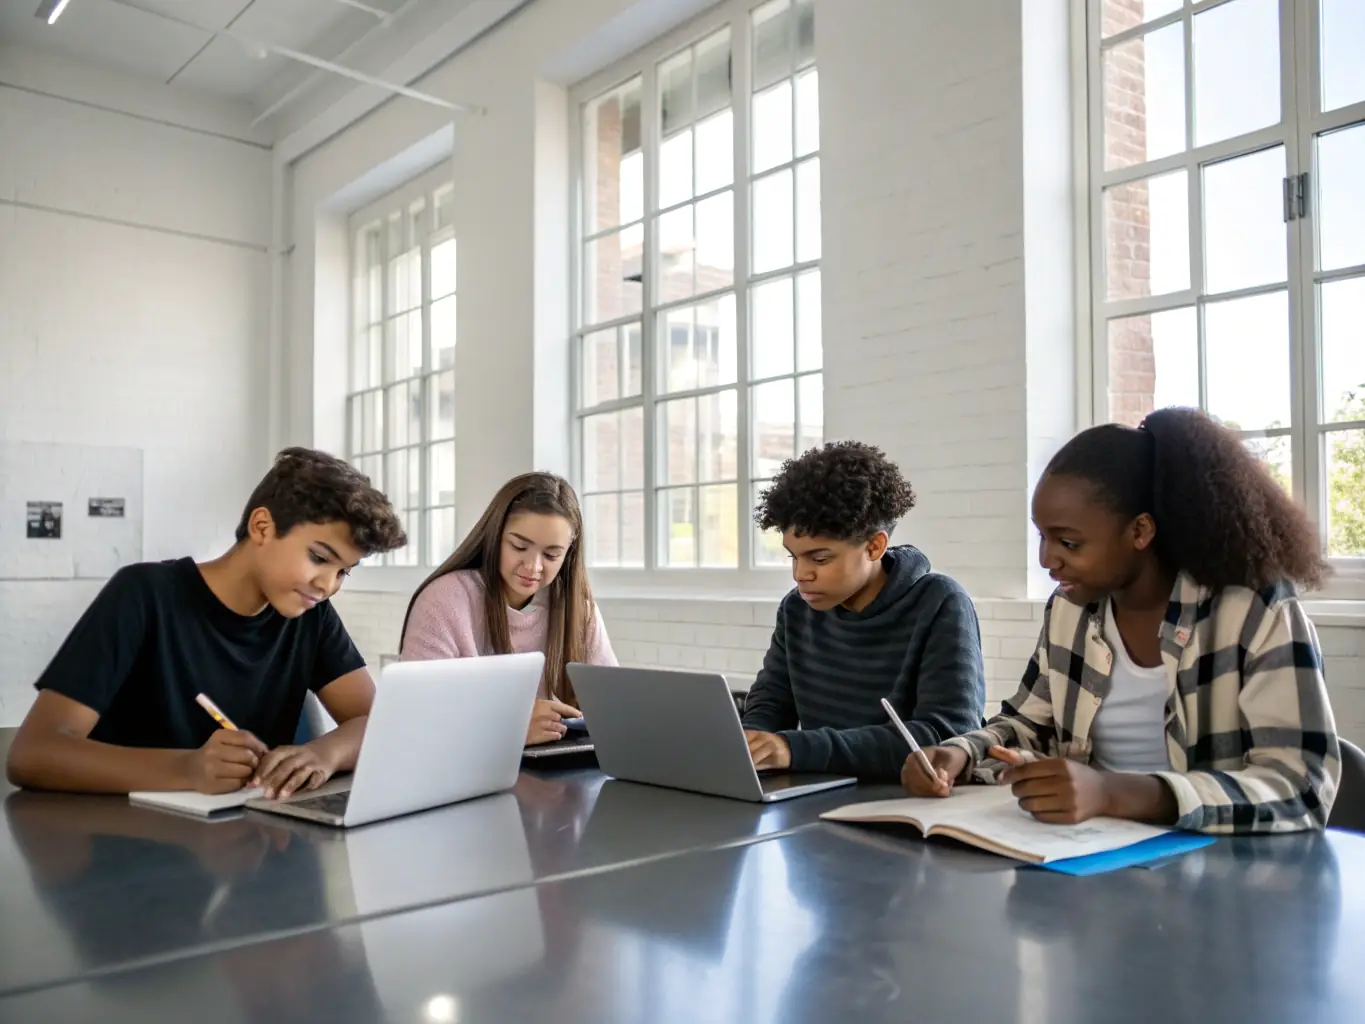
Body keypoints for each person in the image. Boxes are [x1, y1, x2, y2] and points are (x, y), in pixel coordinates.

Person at [901, 408, 1341, 833]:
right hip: (1091, 856)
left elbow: (1300, 786)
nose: (1047, 560)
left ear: (1140, 532)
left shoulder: (1252, 609)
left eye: (1068, 542)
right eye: (1043, 536)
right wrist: (960, 755)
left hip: (1224, 874)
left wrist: (1115, 793)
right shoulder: (1070, 608)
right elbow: (1029, 725)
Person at [5, 449, 407, 799]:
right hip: (124, 849)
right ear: (262, 527)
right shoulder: (144, 594)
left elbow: (378, 723)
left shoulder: (311, 615)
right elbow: (33, 754)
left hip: (248, 850)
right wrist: (187, 770)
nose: (327, 585)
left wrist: (325, 753)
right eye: (320, 558)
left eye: (344, 572)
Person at [741, 441, 986, 780]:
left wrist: (794, 749)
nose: (801, 574)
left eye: (820, 558)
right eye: (793, 556)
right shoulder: (796, 609)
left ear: (874, 546)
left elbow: (947, 735)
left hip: (909, 802)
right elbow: (770, 704)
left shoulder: (940, 602)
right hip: (821, 795)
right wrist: (750, 743)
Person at [400, 472, 616, 745]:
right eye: (519, 546)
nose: (533, 567)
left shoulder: (578, 608)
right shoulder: (445, 599)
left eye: (551, 555)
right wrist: (509, 726)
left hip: (560, 770)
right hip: (465, 769)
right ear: (495, 535)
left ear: (568, 553)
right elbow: (415, 715)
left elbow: (611, 708)